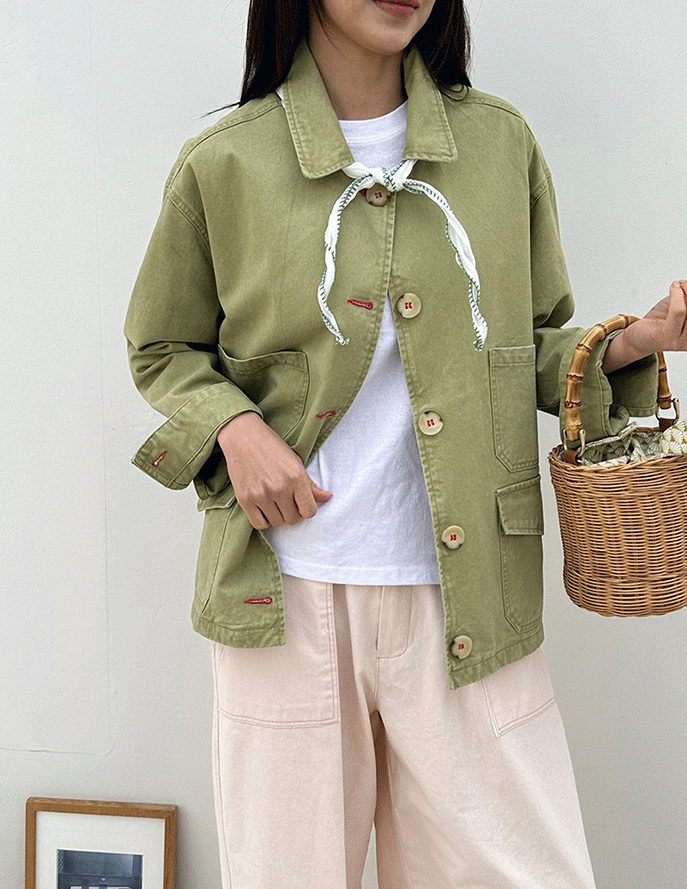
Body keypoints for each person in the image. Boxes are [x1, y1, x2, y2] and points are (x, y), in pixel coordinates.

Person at [124, 1, 687, 886]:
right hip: (284, 596)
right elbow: (162, 345)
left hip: (469, 593)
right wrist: (235, 428)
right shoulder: (225, 161)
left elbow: (528, 348)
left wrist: (632, 342)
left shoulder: (498, 144)